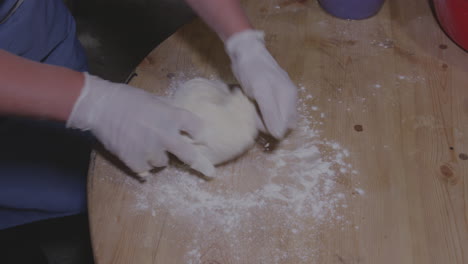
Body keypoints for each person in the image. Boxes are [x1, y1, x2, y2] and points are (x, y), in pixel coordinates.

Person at [0, 0, 297, 230]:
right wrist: (90, 102)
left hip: (30, 21)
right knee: (45, 190)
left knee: (83, 175)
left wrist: (243, 41)